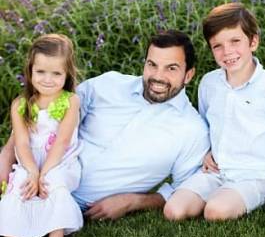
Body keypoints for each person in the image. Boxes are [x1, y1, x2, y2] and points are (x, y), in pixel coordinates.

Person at [0, 30, 209, 222]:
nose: (158, 76)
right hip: (34, 179)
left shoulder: (192, 130)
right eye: (152, 64)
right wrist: (6, 160)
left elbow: (181, 188)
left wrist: (132, 202)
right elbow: (41, 118)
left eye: (171, 68)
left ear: (189, 75)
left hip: (72, 205)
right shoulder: (108, 84)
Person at [164, 3, 265, 221]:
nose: (227, 52)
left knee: (215, 211)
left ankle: (226, 198)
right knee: (174, 210)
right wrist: (206, 152)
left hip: (257, 174)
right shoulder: (209, 83)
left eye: (235, 41)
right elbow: (205, 126)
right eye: (217, 46)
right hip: (218, 170)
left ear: (253, 41)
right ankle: (217, 194)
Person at [0, 34, 83, 237]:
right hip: (28, 159)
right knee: (18, 185)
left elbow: (62, 142)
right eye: (41, 72)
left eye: (56, 73)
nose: (48, 79)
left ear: (67, 74)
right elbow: (22, 143)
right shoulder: (20, 104)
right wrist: (32, 171)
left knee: (52, 182)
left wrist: (43, 172)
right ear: (30, 71)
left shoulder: (71, 101)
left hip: (60, 160)